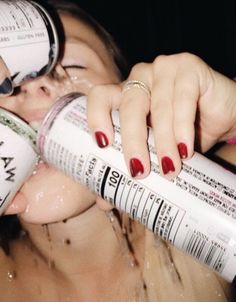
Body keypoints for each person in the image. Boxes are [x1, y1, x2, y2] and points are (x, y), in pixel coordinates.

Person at [0, 0, 235, 301]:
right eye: (8, 82)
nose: (32, 87)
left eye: (72, 67)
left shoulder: (216, 202)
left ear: (127, 96)